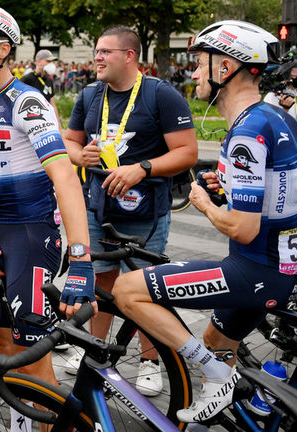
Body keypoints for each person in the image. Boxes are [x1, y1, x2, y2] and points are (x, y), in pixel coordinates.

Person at [116, 20, 297, 422]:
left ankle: (219, 375)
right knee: (214, 338)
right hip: (285, 267)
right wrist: (227, 187)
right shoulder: (277, 118)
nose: (195, 73)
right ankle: (242, 404)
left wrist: (203, 202)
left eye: (201, 64)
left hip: (253, 269)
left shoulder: (246, 132)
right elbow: (277, 195)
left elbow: (244, 228)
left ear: (226, 68)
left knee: (127, 289)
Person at [0, 3, 95, 429]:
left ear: (3, 51)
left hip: (31, 237)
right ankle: (20, 423)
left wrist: (82, 258)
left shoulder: (27, 102)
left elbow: (66, 178)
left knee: (33, 360)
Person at [63, 25, 197, 395]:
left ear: (130, 56)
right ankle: (96, 351)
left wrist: (143, 168)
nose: (98, 57)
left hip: (147, 212)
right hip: (98, 207)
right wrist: (80, 155)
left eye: (106, 51)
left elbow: (188, 153)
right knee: (101, 281)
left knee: (145, 289)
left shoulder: (160, 95)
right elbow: (69, 143)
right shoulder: (90, 94)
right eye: (96, 51)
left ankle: (151, 361)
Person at [20, 49, 60, 116]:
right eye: (48, 61)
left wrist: (58, 124)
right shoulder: (27, 79)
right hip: (31, 118)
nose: (51, 64)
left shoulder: (49, 80)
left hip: (46, 118)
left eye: (52, 62)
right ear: (38, 62)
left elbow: (52, 104)